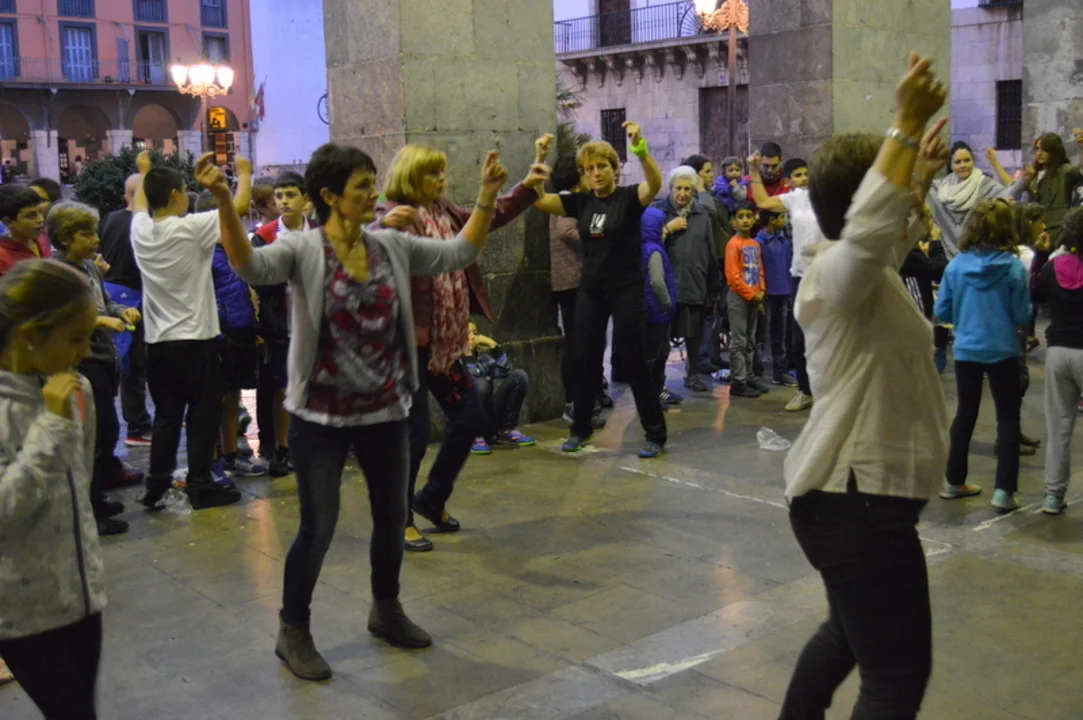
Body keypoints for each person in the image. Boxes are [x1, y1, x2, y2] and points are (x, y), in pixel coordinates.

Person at [219, 142, 525, 678]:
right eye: (362, 186)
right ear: (329, 195)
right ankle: (293, 630)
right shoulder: (302, 249)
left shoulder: (390, 246)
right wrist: (226, 200)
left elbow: (459, 253)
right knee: (318, 527)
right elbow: (248, 265)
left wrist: (486, 196)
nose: (374, 193)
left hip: (387, 410)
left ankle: (386, 609)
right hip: (321, 417)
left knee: (390, 519)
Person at [779, 54, 949, 718]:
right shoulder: (832, 276)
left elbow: (887, 241)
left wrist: (918, 175)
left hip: (851, 505)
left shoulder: (862, 276)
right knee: (897, 675)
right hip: (854, 506)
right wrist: (903, 127)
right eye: (891, 181)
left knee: (846, 639)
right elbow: (872, 236)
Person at [375, 137, 551, 552]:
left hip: (444, 343)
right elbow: (369, 243)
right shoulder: (393, 214)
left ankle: (431, 498)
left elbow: (486, 218)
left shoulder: (444, 211)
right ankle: (398, 519)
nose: (442, 179)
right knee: (413, 436)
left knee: (472, 419)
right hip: (406, 346)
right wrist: (383, 228)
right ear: (410, 177)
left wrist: (524, 187)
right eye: (432, 174)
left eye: (442, 172)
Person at [0, 260, 106, 720]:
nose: (85, 352)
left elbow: (81, 481)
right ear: (30, 335)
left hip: (80, 594)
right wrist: (50, 427)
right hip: (20, 612)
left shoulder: (76, 389)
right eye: (77, 338)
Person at [532, 124, 668, 458]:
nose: (595, 173)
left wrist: (640, 149)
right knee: (585, 359)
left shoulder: (629, 198)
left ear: (614, 169)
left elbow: (654, 184)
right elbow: (542, 201)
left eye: (602, 166)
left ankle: (655, 433)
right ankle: (580, 429)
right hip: (591, 290)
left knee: (635, 360)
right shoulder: (581, 203)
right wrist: (539, 160)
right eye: (589, 168)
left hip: (626, 289)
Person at [130, 150, 250, 511]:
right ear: (174, 196)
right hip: (196, 342)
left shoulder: (140, 231)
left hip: (158, 344)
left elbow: (140, 203)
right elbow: (238, 207)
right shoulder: (191, 228)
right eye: (183, 190)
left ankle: (156, 486)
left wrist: (144, 171)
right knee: (202, 416)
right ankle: (200, 486)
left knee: (166, 417)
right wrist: (243, 173)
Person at [51, 200, 145, 536]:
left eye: (94, 232)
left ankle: (98, 497)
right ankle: (88, 509)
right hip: (83, 361)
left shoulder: (89, 266)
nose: (95, 240)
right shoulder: (59, 273)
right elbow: (62, 316)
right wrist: (100, 320)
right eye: (86, 234)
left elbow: (104, 301)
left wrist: (119, 311)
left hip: (104, 358)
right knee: (93, 435)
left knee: (106, 431)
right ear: (65, 238)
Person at [935, 198, 1031, 511]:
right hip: (1003, 350)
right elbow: (1022, 314)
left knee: (965, 413)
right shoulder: (1014, 268)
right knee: (1008, 418)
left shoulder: (955, 266)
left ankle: (954, 481)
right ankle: (1004, 492)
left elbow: (942, 310)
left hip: (966, 350)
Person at [748, 153, 822, 411]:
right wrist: (754, 170)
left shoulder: (825, 195)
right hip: (801, 275)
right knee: (799, 340)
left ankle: (832, 391)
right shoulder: (794, 199)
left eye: (806, 174)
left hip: (827, 274)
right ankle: (805, 390)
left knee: (829, 336)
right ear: (789, 181)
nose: (804, 179)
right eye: (798, 175)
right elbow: (762, 202)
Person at [252, 171, 312, 476]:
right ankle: (280, 447)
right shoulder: (264, 236)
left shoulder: (320, 232)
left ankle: (311, 444)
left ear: (305, 199)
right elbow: (258, 279)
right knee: (280, 388)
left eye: (291, 195)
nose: (284, 202)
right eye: (279, 196)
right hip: (280, 323)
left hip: (314, 322)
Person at [98, 173, 154, 445]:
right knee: (134, 365)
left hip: (108, 294)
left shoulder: (109, 219)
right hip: (130, 299)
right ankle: (138, 427)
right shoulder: (143, 225)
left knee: (123, 364)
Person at [655, 165, 720, 393]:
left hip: (694, 282)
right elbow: (646, 243)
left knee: (693, 334)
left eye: (687, 189)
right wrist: (667, 229)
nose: (682, 193)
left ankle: (692, 374)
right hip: (665, 286)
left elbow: (710, 250)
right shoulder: (658, 212)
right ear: (670, 188)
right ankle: (658, 382)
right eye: (678, 188)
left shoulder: (702, 215)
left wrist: (713, 285)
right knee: (661, 339)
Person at [1036, 207, 1083, 515]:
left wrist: (1041, 255)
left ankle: (1053, 495)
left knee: (1059, 428)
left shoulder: (1052, 267)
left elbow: (1035, 294)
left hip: (1057, 353)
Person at [927, 142, 1016, 260]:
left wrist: (1023, 182)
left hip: (978, 255)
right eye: (958, 162)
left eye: (967, 160)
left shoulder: (985, 185)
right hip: (944, 256)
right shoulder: (938, 188)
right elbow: (919, 188)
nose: (963, 165)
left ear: (973, 161)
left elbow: (1008, 193)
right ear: (951, 165)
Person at [465, 321, 536, 455]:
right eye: (467, 334)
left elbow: (504, 371)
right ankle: (474, 436)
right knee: (480, 384)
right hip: (466, 422)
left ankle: (506, 429)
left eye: (475, 333)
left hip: (488, 417)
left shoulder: (482, 358)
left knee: (519, 376)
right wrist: (467, 355)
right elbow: (470, 380)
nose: (473, 337)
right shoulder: (453, 360)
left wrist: (494, 346)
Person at [724, 203, 766, 398]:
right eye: (741, 217)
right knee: (739, 341)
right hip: (739, 298)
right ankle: (738, 382)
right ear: (734, 221)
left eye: (749, 216)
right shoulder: (733, 244)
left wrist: (761, 290)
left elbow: (759, 270)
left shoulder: (755, 244)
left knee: (750, 340)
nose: (745, 220)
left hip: (754, 297)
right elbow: (733, 277)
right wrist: (752, 295)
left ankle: (749, 377)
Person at [639, 205, 678, 407]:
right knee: (655, 355)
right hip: (657, 310)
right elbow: (657, 281)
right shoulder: (654, 251)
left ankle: (653, 394)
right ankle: (651, 397)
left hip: (647, 309)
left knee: (654, 354)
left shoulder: (641, 247)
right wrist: (667, 302)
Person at [754, 207, 796, 387]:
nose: (785, 220)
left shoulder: (784, 241)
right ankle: (755, 373)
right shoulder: (758, 243)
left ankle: (780, 372)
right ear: (772, 220)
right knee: (760, 335)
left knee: (780, 336)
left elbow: (788, 266)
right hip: (765, 295)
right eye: (782, 217)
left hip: (783, 293)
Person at [0, 185, 50, 275]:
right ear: (8, 221)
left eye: (40, 212)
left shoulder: (43, 239)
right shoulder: (2, 258)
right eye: (30, 215)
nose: (41, 219)